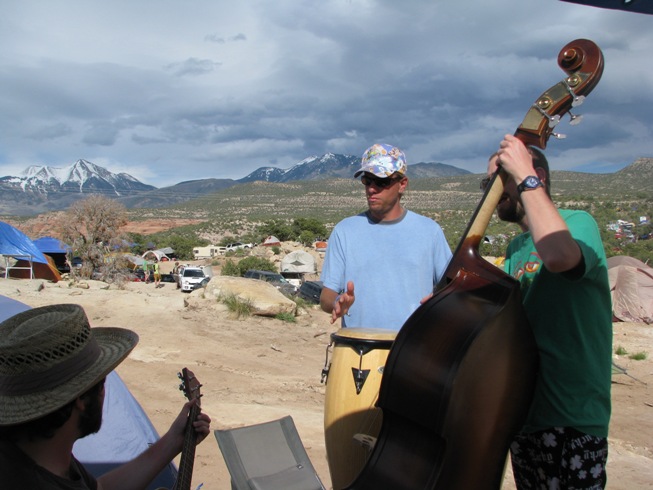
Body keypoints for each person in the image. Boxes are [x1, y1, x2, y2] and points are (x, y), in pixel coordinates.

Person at [488, 134, 612, 489]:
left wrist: (523, 174)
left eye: (499, 179)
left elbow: (559, 257)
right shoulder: (515, 246)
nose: (493, 192)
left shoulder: (577, 222)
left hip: (570, 415)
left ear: (535, 175)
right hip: (526, 414)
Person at [0, 303, 211, 489]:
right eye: (101, 384)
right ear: (81, 400)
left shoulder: (42, 456)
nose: (104, 394)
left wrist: (174, 441)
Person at [320, 143, 452, 329]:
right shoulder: (345, 231)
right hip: (359, 350)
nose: (372, 189)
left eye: (381, 181)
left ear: (402, 184)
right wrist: (338, 303)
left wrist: (441, 303)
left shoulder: (430, 231)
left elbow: (452, 290)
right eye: (367, 180)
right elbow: (326, 296)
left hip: (412, 349)